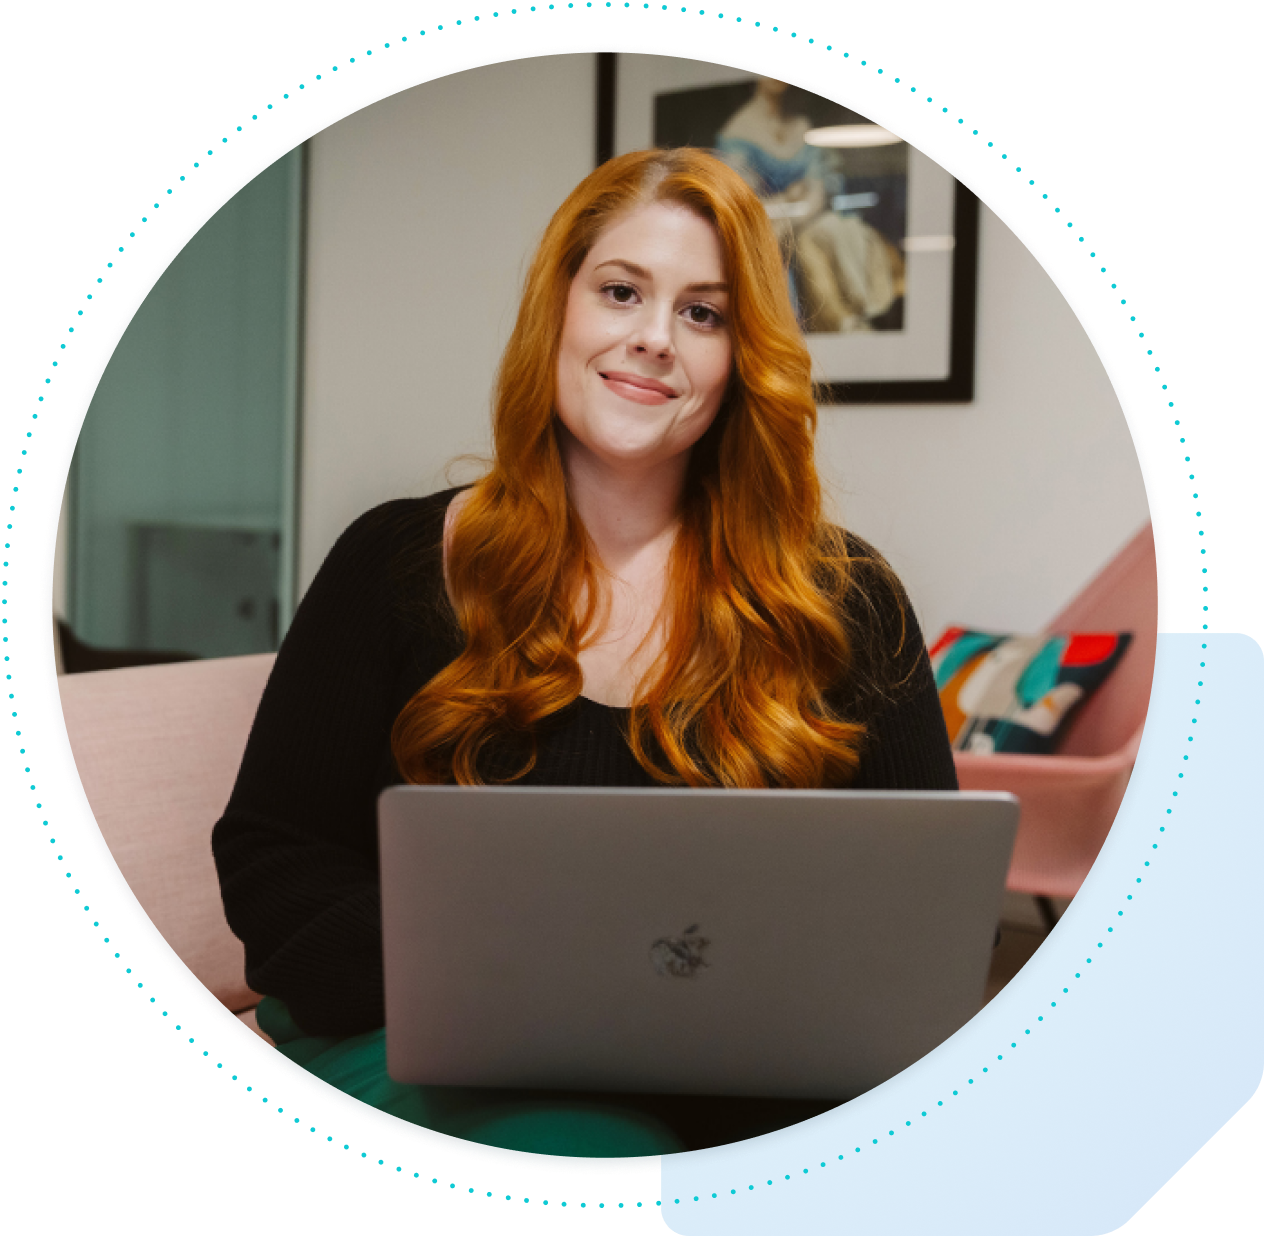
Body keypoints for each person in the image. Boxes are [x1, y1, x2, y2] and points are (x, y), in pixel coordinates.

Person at [211, 147, 956, 1166]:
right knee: (597, 1145)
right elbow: (275, 858)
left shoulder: (845, 600)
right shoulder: (392, 562)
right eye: (620, 292)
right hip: (438, 1070)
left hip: (749, 1094)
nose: (653, 339)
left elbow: (916, 925)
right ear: (557, 311)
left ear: (742, 358)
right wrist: (493, 977)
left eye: (703, 313)